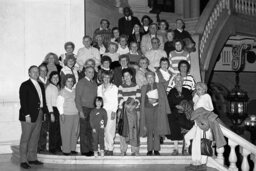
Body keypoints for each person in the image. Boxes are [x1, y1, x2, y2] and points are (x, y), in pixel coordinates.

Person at [184, 82, 219, 171]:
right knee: (190, 139)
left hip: (203, 124)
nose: (197, 91)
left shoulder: (206, 96)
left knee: (203, 143)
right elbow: (195, 107)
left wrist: (201, 113)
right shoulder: (198, 97)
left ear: (204, 89)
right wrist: (196, 97)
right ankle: (195, 162)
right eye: (196, 89)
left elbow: (210, 108)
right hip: (197, 123)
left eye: (199, 89)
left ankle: (202, 163)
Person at [19, 65, 46, 169]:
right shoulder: (25, 85)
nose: (35, 73)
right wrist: (27, 115)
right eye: (33, 71)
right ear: (29, 73)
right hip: (28, 116)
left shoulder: (41, 84)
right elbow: (23, 101)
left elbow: (42, 100)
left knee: (35, 138)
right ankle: (23, 160)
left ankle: (32, 158)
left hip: (39, 114)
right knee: (25, 138)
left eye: (37, 71)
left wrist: (44, 113)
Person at [140, 71, 171, 156]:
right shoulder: (143, 88)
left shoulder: (159, 86)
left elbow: (164, 98)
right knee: (150, 130)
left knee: (157, 129)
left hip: (158, 109)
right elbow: (142, 100)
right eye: (148, 77)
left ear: (154, 78)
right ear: (146, 79)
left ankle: (156, 149)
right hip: (147, 110)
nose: (150, 79)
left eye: (151, 77)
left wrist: (157, 101)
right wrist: (148, 101)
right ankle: (149, 149)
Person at [167, 75, 193, 155]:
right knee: (172, 121)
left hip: (186, 112)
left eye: (180, 80)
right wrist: (176, 106)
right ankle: (175, 148)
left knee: (186, 122)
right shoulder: (172, 91)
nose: (178, 82)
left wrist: (184, 107)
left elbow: (190, 102)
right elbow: (169, 103)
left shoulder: (187, 91)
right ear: (174, 82)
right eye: (177, 80)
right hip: (174, 112)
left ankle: (185, 148)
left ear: (183, 82)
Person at [117, 68, 141, 156]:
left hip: (134, 111)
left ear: (131, 76)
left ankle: (135, 150)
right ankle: (123, 150)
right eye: (124, 76)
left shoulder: (136, 86)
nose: (126, 77)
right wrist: (126, 106)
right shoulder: (121, 86)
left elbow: (138, 98)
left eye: (128, 75)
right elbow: (120, 98)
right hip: (124, 111)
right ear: (123, 77)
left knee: (134, 130)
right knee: (123, 130)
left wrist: (133, 106)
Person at [75, 66, 98, 156]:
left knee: (91, 130)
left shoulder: (94, 83)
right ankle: (85, 150)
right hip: (84, 108)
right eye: (89, 72)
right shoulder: (81, 83)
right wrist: (80, 111)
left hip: (92, 109)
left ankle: (90, 148)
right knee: (84, 130)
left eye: (92, 72)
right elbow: (77, 98)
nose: (91, 74)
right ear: (85, 73)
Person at [57, 74, 79, 155]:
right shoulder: (62, 92)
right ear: (65, 82)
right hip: (66, 115)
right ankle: (66, 150)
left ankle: (72, 148)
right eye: (68, 81)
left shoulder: (75, 91)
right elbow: (59, 104)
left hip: (75, 114)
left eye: (71, 81)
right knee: (66, 133)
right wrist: (61, 114)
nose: (70, 82)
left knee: (75, 132)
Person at [97, 71, 118, 156]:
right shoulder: (99, 87)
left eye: (108, 77)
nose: (106, 79)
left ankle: (110, 148)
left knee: (110, 130)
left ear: (110, 78)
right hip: (101, 110)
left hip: (110, 110)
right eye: (104, 77)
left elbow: (116, 100)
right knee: (103, 130)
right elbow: (98, 100)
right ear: (102, 78)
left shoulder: (114, 87)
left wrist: (114, 111)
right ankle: (104, 147)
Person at [45, 71, 62, 154]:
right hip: (53, 110)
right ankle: (52, 148)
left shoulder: (57, 87)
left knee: (58, 129)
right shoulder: (49, 88)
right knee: (53, 130)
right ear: (50, 78)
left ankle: (58, 146)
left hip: (58, 109)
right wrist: (51, 113)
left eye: (57, 77)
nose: (56, 79)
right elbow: (48, 102)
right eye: (54, 77)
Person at [37, 64, 49, 153]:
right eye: (41, 70)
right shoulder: (36, 82)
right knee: (38, 129)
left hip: (49, 108)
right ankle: (38, 147)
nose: (43, 72)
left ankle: (43, 146)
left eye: (45, 70)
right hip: (41, 109)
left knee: (45, 129)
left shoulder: (49, 82)